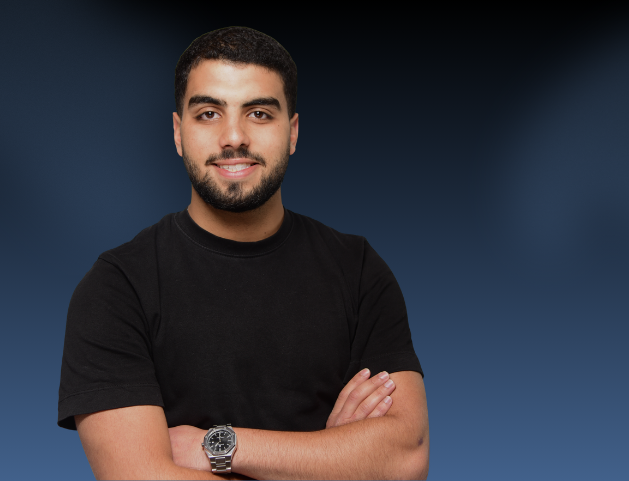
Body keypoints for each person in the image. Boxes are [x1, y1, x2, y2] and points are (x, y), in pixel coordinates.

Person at [58, 26, 429, 480]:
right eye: (209, 113)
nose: (234, 137)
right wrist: (329, 463)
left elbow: (405, 459)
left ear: (292, 132)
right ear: (177, 133)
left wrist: (216, 445)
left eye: (258, 113)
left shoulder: (358, 271)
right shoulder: (118, 288)